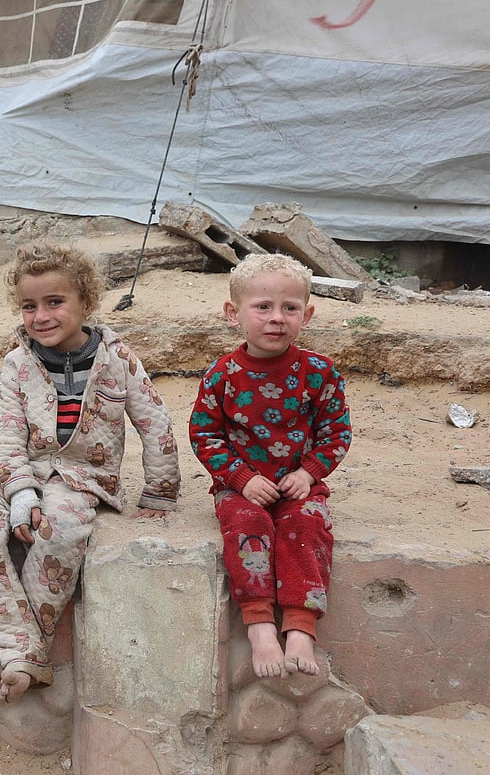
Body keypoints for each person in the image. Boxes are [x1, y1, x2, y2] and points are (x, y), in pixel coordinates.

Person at [0, 244, 181, 703]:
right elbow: (7, 435)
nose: (41, 316)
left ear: (86, 303)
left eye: (54, 302)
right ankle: (22, 649)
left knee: (57, 533)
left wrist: (160, 491)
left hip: (81, 477)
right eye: (29, 305)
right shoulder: (17, 364)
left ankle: (22, 655)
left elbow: (155, 421)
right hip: (17, 470)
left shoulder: (118, 359)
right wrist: (19, 493)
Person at [188, 253, 351, 678]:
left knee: (307, 526)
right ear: (233, 313)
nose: (276, 318)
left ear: (307, 314)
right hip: (240, 489)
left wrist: (308, 474)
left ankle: (300, 628)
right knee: (248, 527)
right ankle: (260, 626)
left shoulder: (320, 373)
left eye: (289, 308)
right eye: (263, 307)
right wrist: (241, 480)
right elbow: (205, 435)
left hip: (300, 486)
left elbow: (337, 432)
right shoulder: (221, 376)